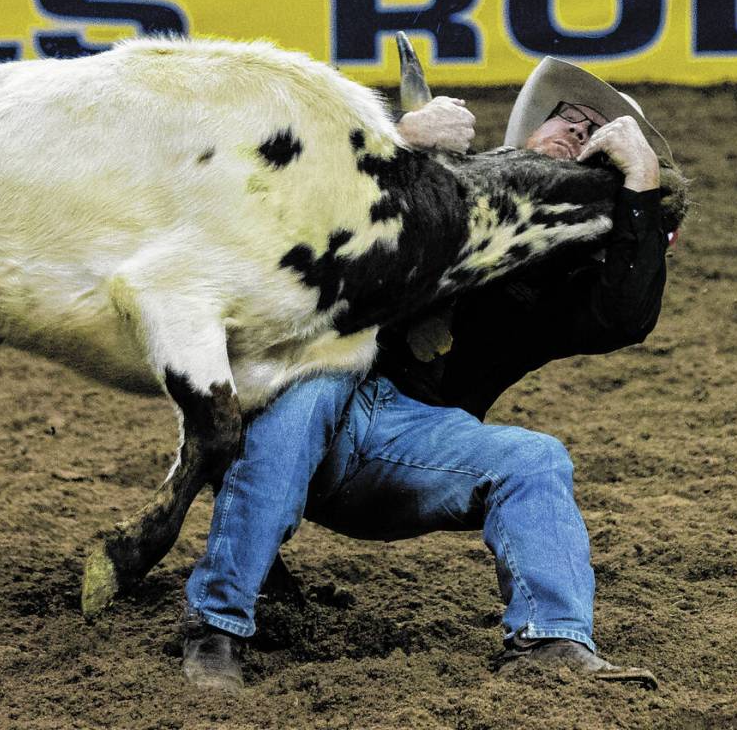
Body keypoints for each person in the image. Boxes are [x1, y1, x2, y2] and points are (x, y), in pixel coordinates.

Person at [181, 57, 686, 693]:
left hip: (406, 436)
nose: (577, 133)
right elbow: (276, 194)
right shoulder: (428, 177)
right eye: (568, 118)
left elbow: (626, 315)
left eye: (595, 134)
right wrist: (395, 138)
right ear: (529, 131)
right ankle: (217, 626)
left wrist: (641, 178)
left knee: (536, 459)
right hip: (308, 376)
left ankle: (552, 640)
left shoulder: (562, 268)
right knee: (311, 392)